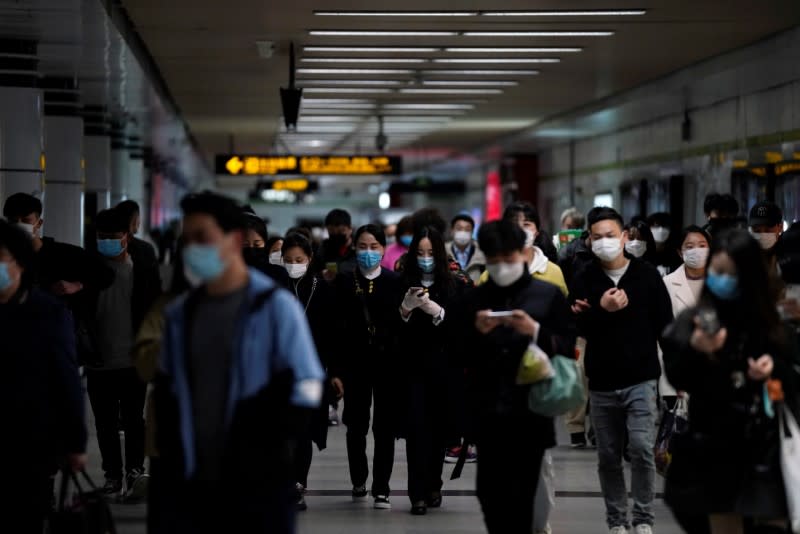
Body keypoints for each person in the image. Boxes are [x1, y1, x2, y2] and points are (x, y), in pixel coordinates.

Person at [150, 192, 324, 533]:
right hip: (190, 476)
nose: (194, 248)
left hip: (257, 480)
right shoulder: (180, 315)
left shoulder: (275, 308)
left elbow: (307, 384)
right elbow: (167, 388)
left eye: (203, 238)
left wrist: (268, 440)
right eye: (187, 240)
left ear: (235, 240)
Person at [661, 229, 799, 534]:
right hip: (714, 449)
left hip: (766, 450)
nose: (722, 279)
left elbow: (791, 381)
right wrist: (700, 352)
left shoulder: (771, 325)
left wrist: (773, 367)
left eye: (732, 273)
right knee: (724, 522)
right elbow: (678, 374)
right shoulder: (696, 322)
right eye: (717, 271)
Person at [452, 219, 574, 534]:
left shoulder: (547, 295)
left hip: (530, 413)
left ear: (523, 252)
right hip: (487, 413)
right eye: (494, 260)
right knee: (490, 496)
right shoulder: (474, 298)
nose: (502, 266)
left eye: (508, 258)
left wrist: (535, 331)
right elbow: (455, 352)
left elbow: (567, 345)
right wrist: (475, 332)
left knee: (522, 499)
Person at [570, 207, 673, 534]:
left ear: (625, 236)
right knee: (609, 456)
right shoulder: (585, 277)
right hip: (601, 380)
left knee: (641, 448)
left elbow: (665, 327)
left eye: (611, 236)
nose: (604, 242)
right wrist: (602, 309)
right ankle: (617, 520)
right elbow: (576, 324)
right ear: (589, 239)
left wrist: (678, 373)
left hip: (641, 378)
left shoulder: (646, 276)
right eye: (597, 237)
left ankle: (643, 518)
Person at [0, 220, 87, 533]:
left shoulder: (47, 313)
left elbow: (66, 378)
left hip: (30, 443)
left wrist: (75, 443)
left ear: (20, 264)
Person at [86, 207, 161, 500]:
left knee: (133, 420)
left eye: (112, 237)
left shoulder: (141, 268)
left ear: (126, 237)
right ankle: (112, 476)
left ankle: (133, 471)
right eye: (101, 237)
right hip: (98, 361)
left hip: (132, 361)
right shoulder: (88, 268)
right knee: (104, 423)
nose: (106, 242)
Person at [397, 226, 468, 515]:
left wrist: (437, 312)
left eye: (430, 253)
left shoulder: (454, 285)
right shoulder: (402, 281)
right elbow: (393, 331)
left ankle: (433, 484)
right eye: (420, 253)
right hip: (413, 368)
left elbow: (461, 329)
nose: (425, 258)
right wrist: (405, 309)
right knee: (417, 431)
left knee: (439, 431)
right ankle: (417, 494)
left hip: (444, 369)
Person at [331, 224, 402, 510]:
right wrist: (335, 370)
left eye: (374, 247)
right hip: (355, 364)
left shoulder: (395, 282)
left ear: (383, 249)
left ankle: (382, 487)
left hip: (386, 364)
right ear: (355, 249)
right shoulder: (343, 282)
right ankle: (358, 479)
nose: (368, 253)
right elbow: (335, 330)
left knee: (384, 427)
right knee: (356, 424)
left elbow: (400, 327)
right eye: (363, 247)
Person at [3, 193, 114, 348]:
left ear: (39, 223)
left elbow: (106, 275)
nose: (19, 225)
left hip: (55, 341)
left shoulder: (63, 254)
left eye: (25, 220)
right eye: (13, 221)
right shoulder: (4, 260)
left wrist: (76, 285)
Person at [281, 232, 338, 511]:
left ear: (310, 259)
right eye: (289, 260)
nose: (294, 264)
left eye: (299, 260)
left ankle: (298, 484)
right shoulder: (275, 287)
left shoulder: (322, 288)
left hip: (310, 370)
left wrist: (332, 371)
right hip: (279, 372)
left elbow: (331, 333)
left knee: (303, 431)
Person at [660, 226, 711, 408]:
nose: (696, 250)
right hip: (680, 371)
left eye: (702, 245)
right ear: (680, 253)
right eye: (689, 246)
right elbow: (663, 336)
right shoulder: (667, 283)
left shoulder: (720, 281)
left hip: (714, 371)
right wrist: (669, 385)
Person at [481, 202, 568, 296]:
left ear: (537, 232)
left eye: (526, 224)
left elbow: (562, 307)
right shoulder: (489, 275)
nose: (520, 230)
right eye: (513, 224)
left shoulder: (554, 272)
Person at [241, 211, 289, 286]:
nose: (251, 248)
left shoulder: (278, 273)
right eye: (245, 244)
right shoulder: (226, 273)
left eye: (257, 244)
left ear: (265, 243)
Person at [117, 199, 161, 274]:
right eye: (138, 217)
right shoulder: (146, 249)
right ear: (134, 221)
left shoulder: (109, 248)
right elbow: (155, 283)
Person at [312, 208, 357, 280]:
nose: (336, 234)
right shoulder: (322, 249)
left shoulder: (358, 248)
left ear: (350, 229)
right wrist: (321, 275)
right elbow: (315, 271)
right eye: (332, 231)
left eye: (341, 231)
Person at [748, 200, 784, 287]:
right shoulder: (746, 258)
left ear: (780, 227)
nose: (762, 234)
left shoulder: (789, 255)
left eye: (768, 230)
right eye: (757, 231)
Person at [446, 213, 487, 283]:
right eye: (459, 228)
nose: (463, 232)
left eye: (467, 229)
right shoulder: (443, 252)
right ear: (452, 231)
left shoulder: (483, 253)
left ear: (472, 232)